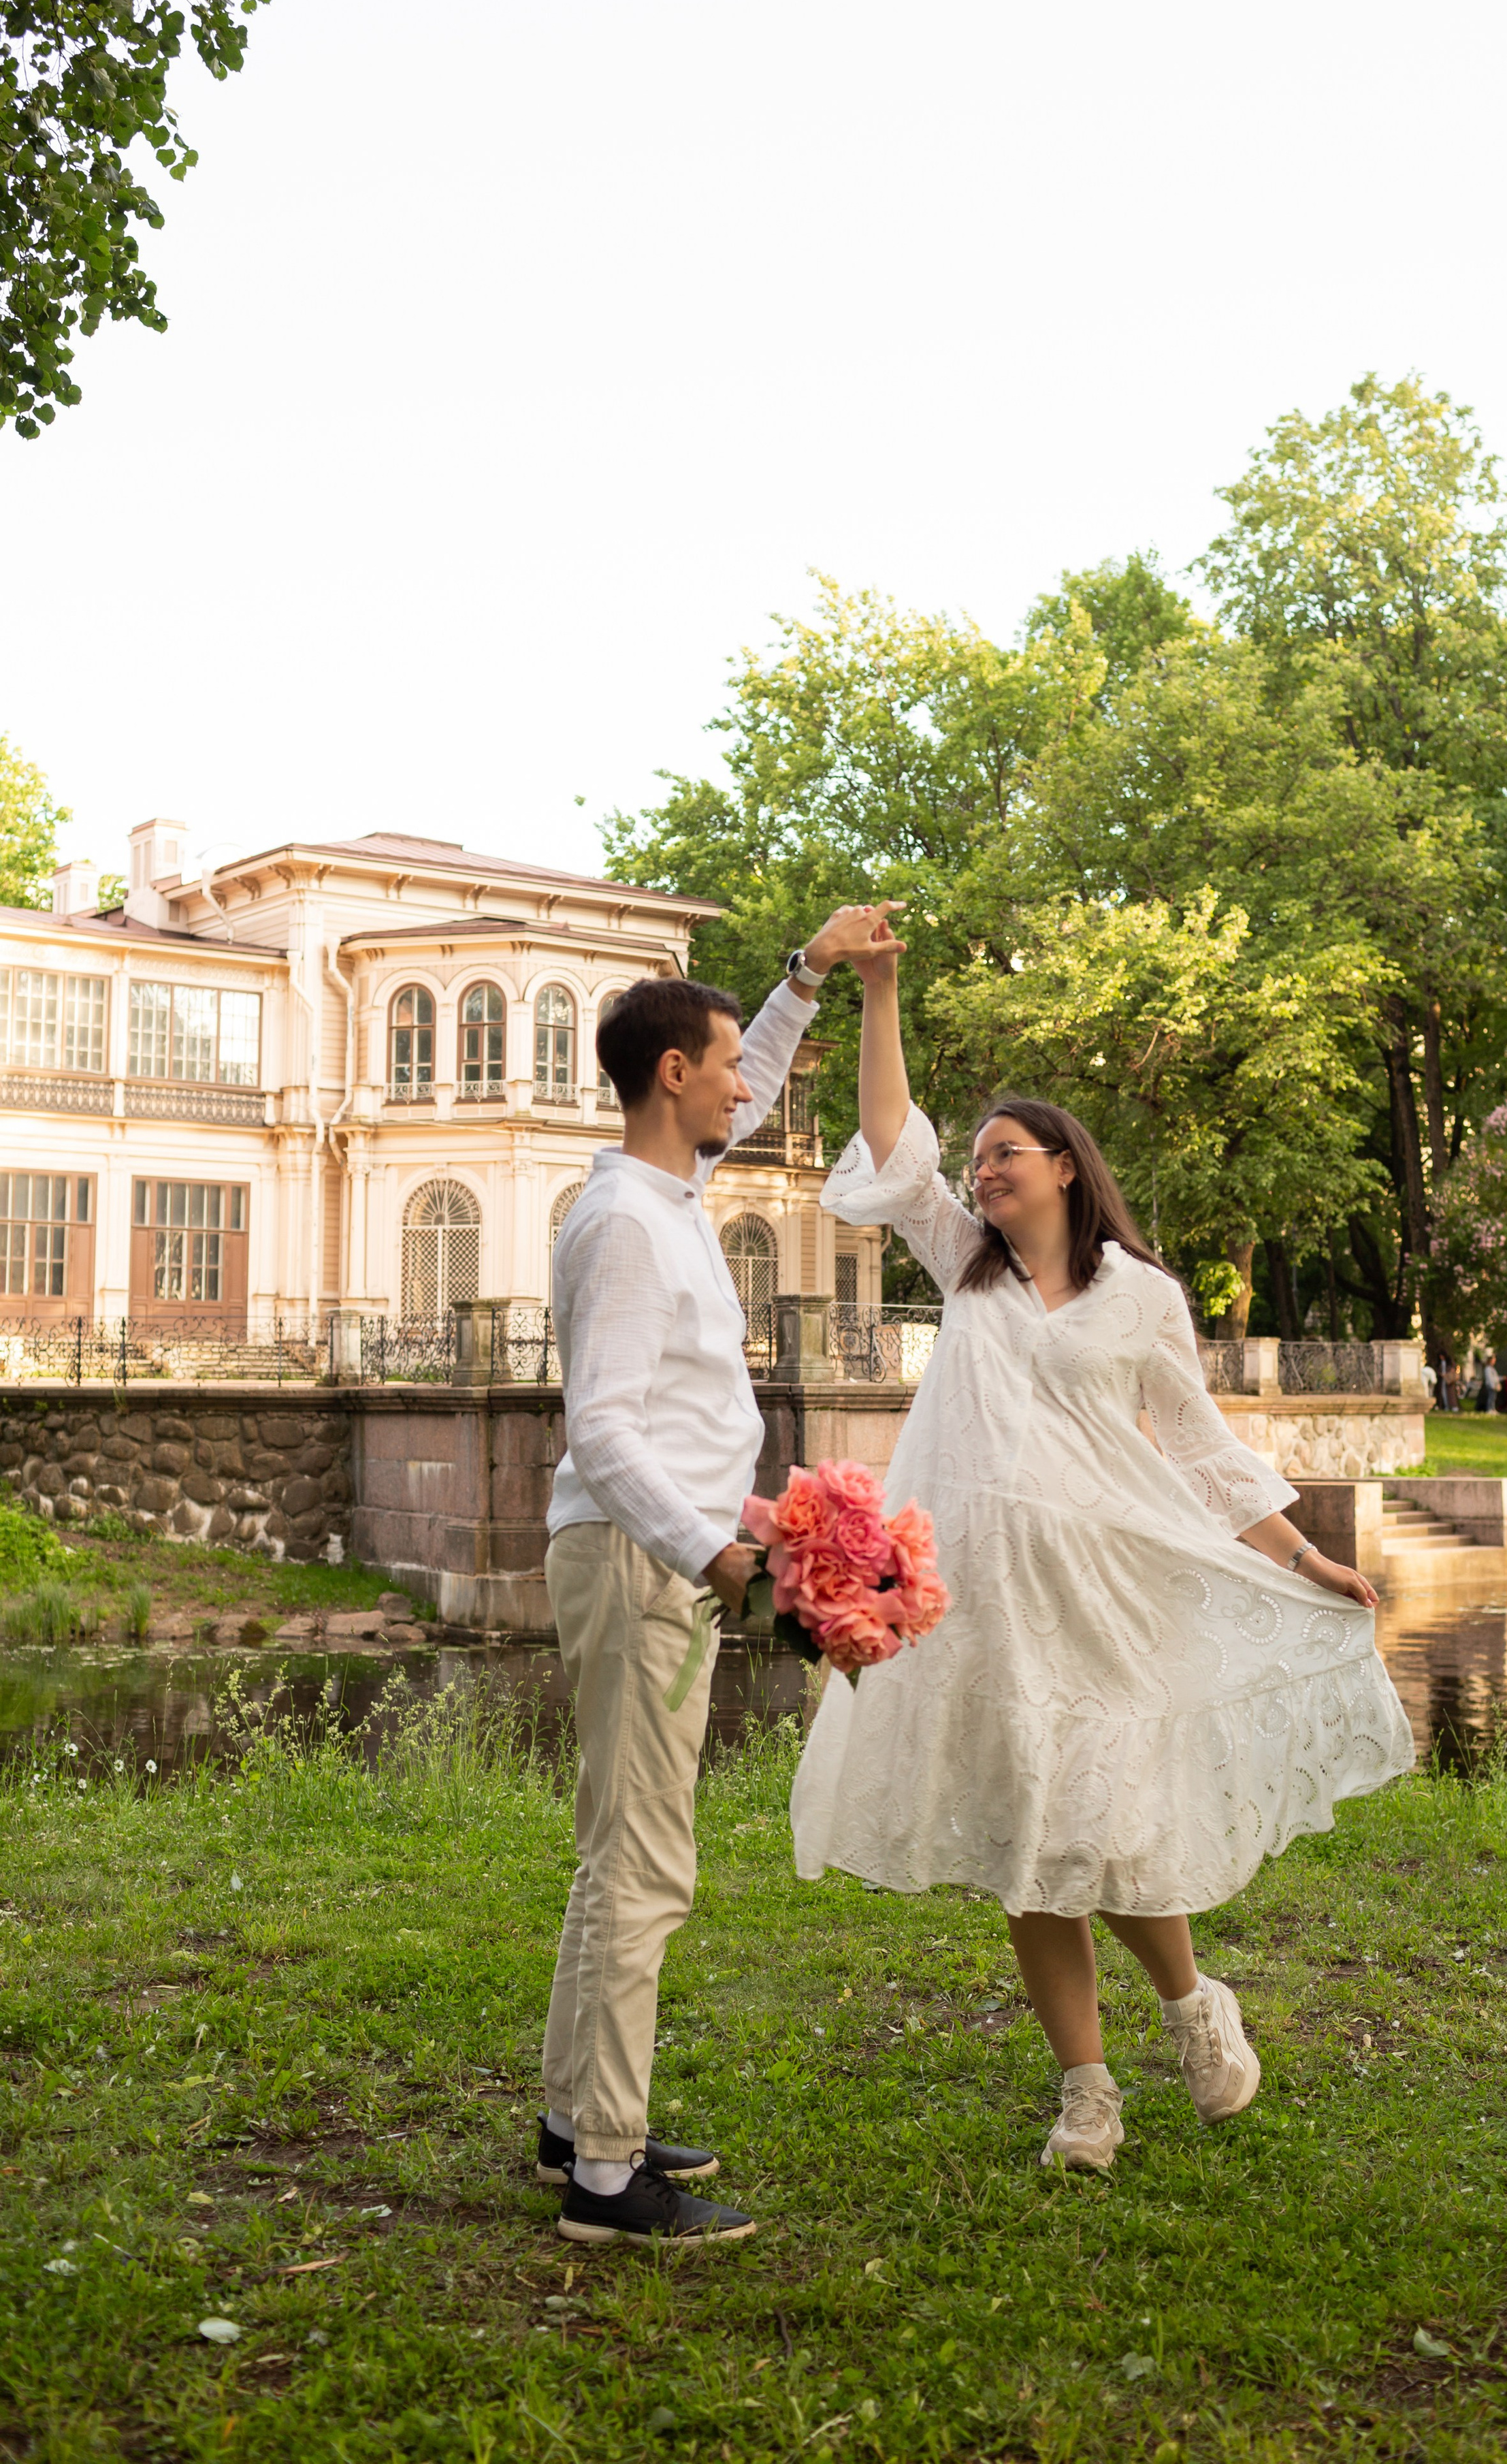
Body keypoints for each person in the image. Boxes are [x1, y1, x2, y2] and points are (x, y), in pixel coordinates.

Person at [790, 927, 1416, 2173]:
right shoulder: (965, 1277)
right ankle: (1087, 2091)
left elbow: (1202, 1453)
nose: (981, 1177)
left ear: (1067, 1168)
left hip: (1107, 1591)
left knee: (1109, 1822)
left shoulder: (1144, 1296)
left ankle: (1192, 2006)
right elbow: (890, 1130)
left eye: (1003, 1158)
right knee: (1032, 1836)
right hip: (985, 1601)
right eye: (975, 1165)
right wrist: (881, 988)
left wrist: (1305, 1560)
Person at [536, 907, 904, 2247]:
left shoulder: (667, 1192)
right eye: (727, 1064)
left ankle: (577, 2118)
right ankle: (603, 2178)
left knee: (612, 1856)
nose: (749, 1085)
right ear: (670, 1078)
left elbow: (752, 1073)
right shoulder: (627, 1224)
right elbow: (604, 1429)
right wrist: (712, 1547)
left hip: (652, 1557)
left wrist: (809, 974)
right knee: (645, 1868)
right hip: (643, 1567)